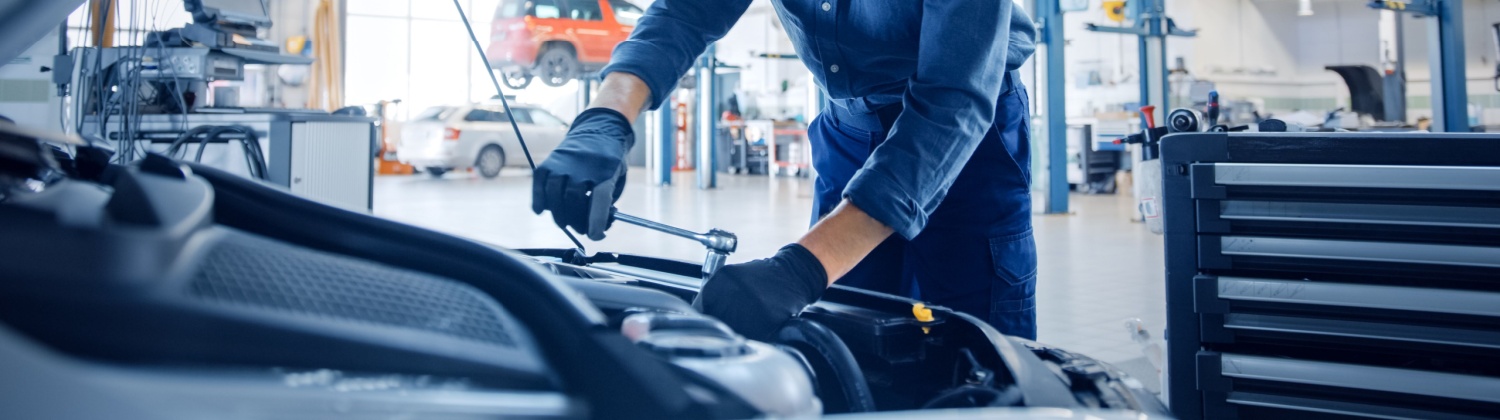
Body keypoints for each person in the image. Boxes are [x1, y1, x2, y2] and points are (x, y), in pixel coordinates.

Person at [532, 0, 1039, 341]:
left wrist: (803, 268)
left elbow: (953, 101)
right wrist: (606, 118)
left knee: (977, 345)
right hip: (850, 127)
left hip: (970, 137)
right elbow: (685, 11)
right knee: (850, 330)